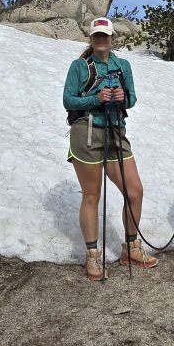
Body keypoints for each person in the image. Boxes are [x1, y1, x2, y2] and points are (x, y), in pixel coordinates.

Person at [63, 16, 159, 280]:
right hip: (87, 133)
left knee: (135, 190)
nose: (101, 39)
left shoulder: (123, 66)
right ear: (91, 38)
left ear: (112, 38)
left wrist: (122, 97)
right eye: (97, 35)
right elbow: (68, 100)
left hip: (115, 132)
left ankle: (131, 247)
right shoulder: (79, 66)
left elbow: (132, 98)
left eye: (105, 35)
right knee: (92, 194)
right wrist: (96, 98)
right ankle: (92, 256)